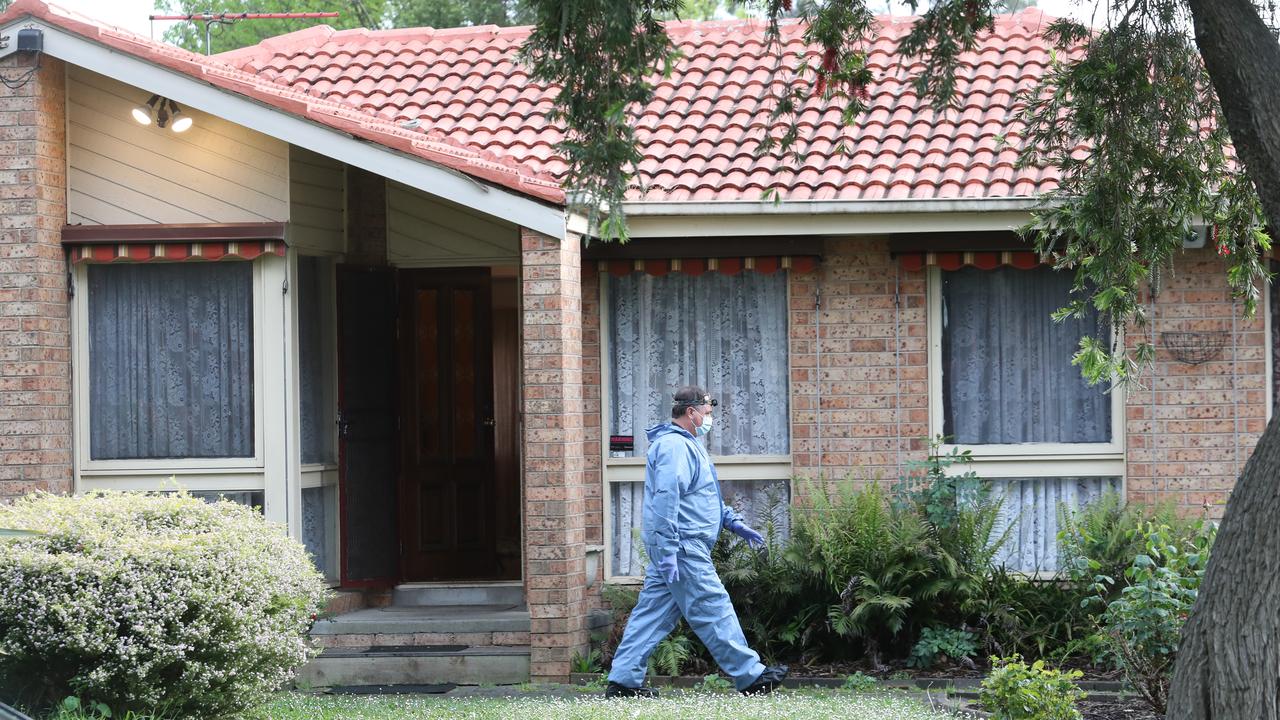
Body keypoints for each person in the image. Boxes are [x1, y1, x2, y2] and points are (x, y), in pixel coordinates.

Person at [605, 385, 789, 698]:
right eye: (707, 414)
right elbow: (666, 499)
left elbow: (700, 496)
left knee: (651, 615)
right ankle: (751, 676)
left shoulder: (685, 445)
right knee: (712, 606)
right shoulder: (675, 447)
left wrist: (733, 522)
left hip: (678, 546)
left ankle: (622, 681)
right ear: (691, 412)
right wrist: (667, 550)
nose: (709, 419)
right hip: (683, 546)